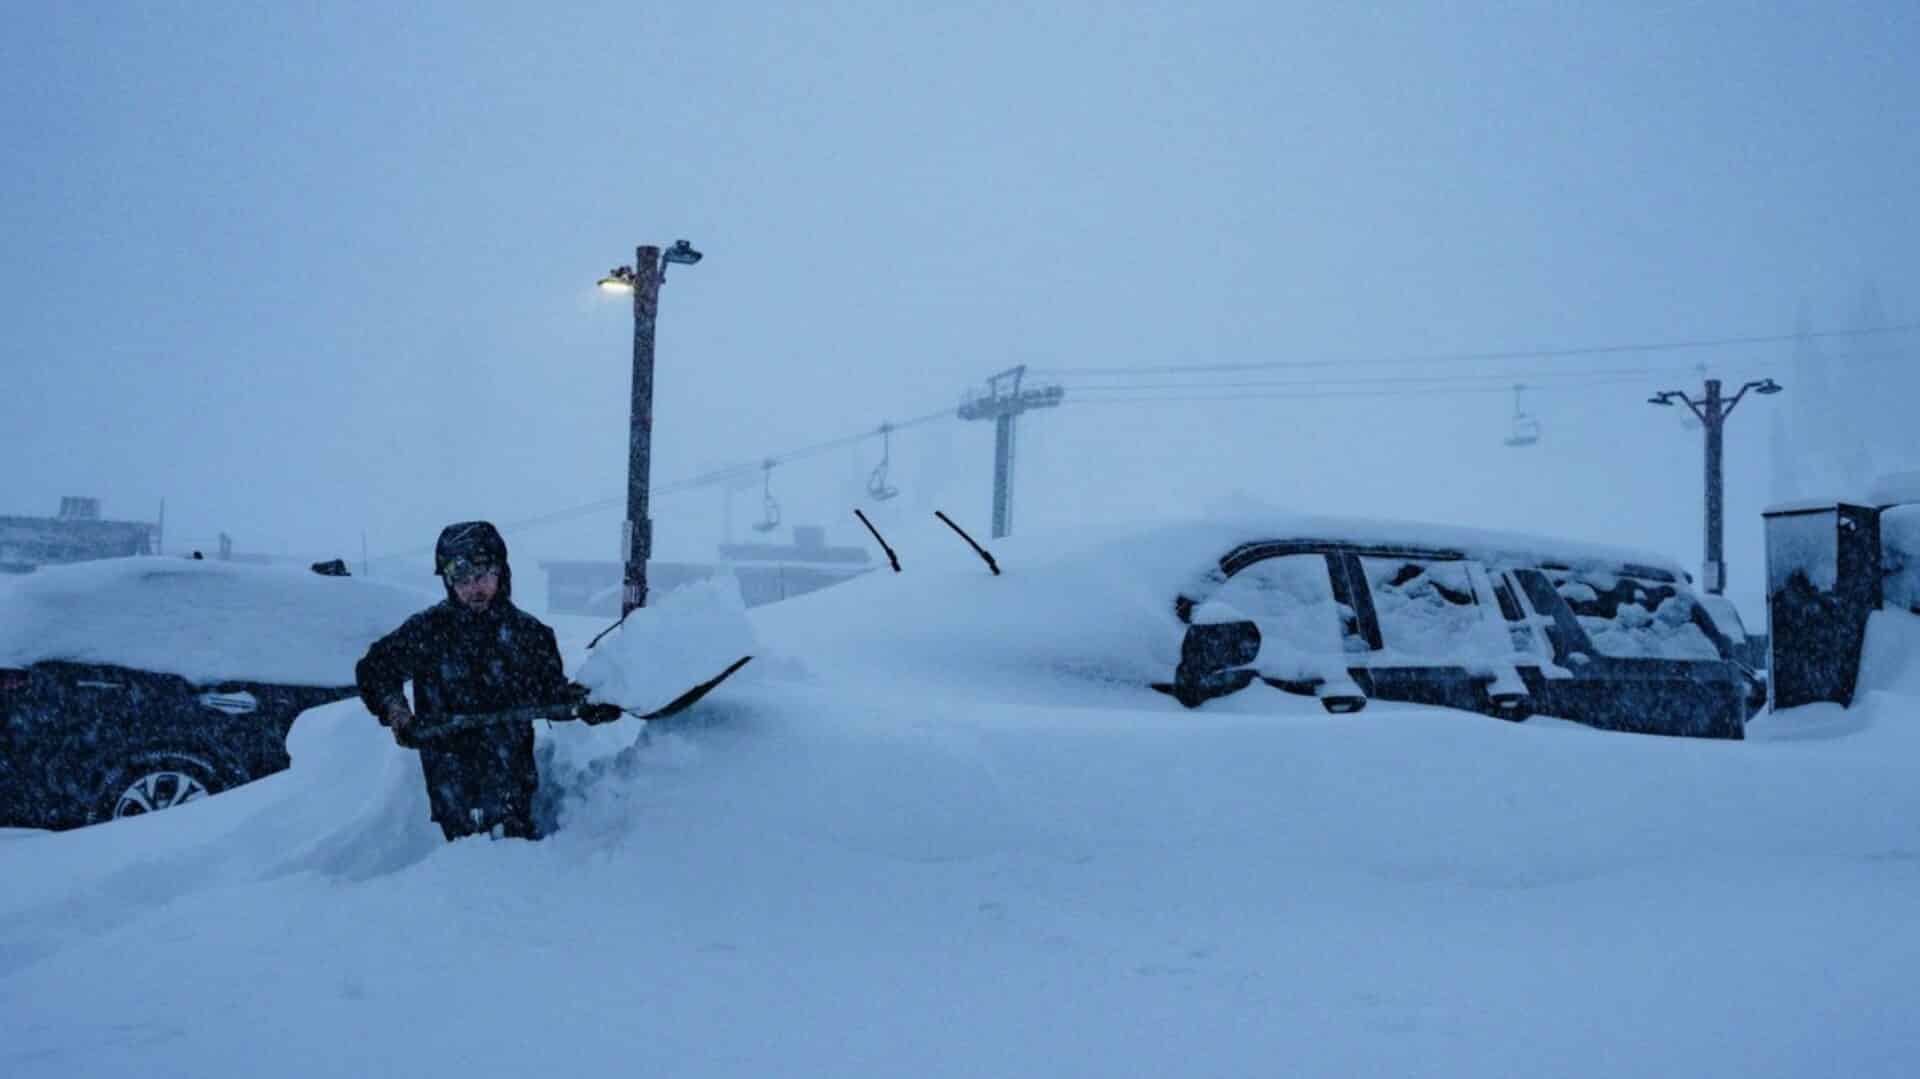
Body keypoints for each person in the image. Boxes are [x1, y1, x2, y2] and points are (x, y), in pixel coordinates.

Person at [355, 521, 620, 841]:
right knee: (463, 861)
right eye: (461, 579)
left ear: (501, 573)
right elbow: (375, 670)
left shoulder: (530, 635)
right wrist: (398, 712)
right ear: (449, 583)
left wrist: (584, 705)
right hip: (449, 774)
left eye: (482, 576)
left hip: (510, 773)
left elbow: (549, 692)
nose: (473, 588)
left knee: (513, 852)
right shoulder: (428, 631)